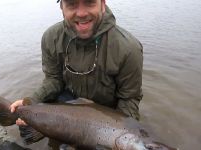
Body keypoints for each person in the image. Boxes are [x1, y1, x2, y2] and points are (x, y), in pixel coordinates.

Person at [10, 0, 143, 149]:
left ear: (102, 4)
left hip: (107, 115)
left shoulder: (129, 48)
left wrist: (121, 135)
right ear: (62, 7)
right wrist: (31, 101)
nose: (81, 13)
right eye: (72, 4)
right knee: (27, 130)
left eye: (90, 2)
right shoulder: (51, 37)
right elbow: (54, 80)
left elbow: (129, 98)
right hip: (67, 103)